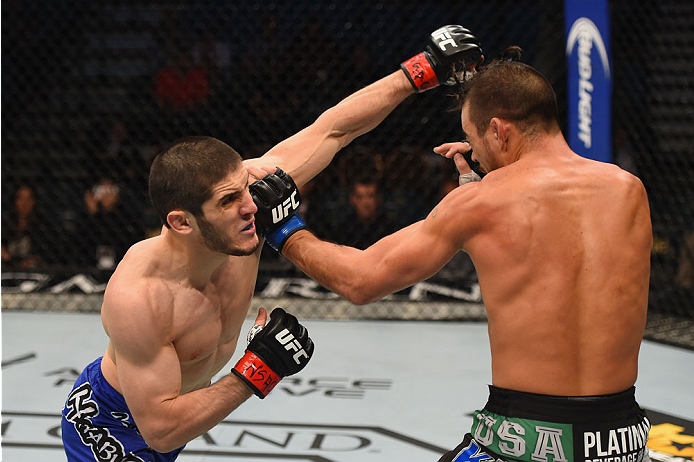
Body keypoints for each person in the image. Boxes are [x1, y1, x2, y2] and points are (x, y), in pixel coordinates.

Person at [60, 25, 484, 461]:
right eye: (229, 201)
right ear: (182, 222)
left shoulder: (248, 201)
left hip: (176, 407)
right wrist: (256, 370)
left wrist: (421, 70)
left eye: (243, 188)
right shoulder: (141, 298)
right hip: (116, 427)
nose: (250, 207)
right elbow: (162, 431)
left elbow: (334, 130)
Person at [252, 56, 654, 462]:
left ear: (498, 130)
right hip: (621, 440)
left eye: (473, 140)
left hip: (525, 440)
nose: (474, 156)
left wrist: (284, 229)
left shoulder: (480, 202)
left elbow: (361, 280)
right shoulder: (629, 190)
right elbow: (564, 255)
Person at [1, 184, 46, 269]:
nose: (25, 204)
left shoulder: (43, 227)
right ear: (14, 202)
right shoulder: (5, 225)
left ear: (34, 201)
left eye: (29, 199)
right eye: (20, 199)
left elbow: (41, 256)